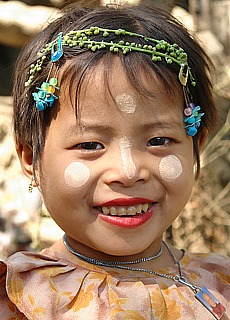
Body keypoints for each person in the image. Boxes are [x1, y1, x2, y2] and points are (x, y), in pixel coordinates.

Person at [0, 3, 229, 320]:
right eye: (90, 144)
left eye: (159, 141)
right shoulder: (17, 297)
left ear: (195, 148)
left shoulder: (222, 282)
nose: (128, 171)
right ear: (30, 156)